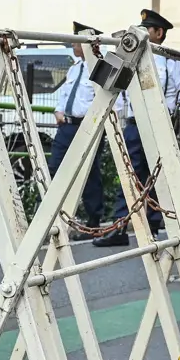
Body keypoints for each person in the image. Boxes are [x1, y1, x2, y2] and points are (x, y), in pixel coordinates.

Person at [93, 9, 180, 248]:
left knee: (158, 176)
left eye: (148, 29)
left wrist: (161, 110)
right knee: (130, 175)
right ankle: (120, 226)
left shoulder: (172, 61)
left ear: (159, 33)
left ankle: (155, 227)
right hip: (136, 125)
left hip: (160, 124)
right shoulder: (132, 56)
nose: (143, 33)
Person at [50, 24, 108, 236]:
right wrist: (58, 111)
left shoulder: (100, 69)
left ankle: (93, 220)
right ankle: (56, 215)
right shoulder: (75, 68)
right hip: (67, 126)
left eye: (76, 41)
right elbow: (65, 94)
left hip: (87, 128)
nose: (73, 44)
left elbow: (107, 100)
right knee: (56, 168)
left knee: (89, 174)